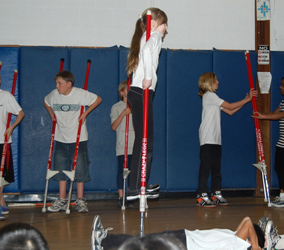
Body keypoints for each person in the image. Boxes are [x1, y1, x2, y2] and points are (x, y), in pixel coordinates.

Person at [44, 70, 102, 213]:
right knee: (60, 169)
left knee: (80, 169)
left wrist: (85, 113)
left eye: (60, 83)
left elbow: (98, 99)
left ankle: (80, 200)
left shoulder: (80, 93)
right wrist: (51, 113)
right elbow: (46, 101)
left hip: (78, 138)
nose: (57, 86)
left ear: (69, 84)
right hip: (60, 137)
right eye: (56, 83)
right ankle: (62, 200)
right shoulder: (54, 95)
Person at [196, 72, 257, 207]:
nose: (218, 82)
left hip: (216, 139)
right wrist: (247, 99)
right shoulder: (209, 96)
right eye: (216, 80)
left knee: (216, 168)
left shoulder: (213, 98)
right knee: (206, 168)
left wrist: (246, 100)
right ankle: (201, 195)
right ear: (210, 82)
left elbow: (230, 112)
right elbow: (229, 106)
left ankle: (216, 193)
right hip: (207, 138)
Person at [126, 7, 168, 200]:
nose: (166, 28)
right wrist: (149, 77)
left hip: (139, 93)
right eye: (164, 23)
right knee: (145, 141)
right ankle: (136, 186)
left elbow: (145, 51)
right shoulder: (154, 36)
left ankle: (139, 183)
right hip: (141, 91)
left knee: (144, 141)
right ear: (156, 22)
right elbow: (147, 51)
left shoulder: (146, 36)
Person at [91, 215, 278, 250]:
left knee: (143, 243)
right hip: (184, 239)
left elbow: (247, 222)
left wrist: (254, 246)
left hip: (184, 242)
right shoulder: (235, 237)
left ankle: (104, 241)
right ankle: (105, 242)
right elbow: (245, 223)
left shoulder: (240, 246)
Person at [0, 68, 24, 220]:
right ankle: (2, 205)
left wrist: (11, 128)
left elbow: (20, 113)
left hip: (2, 141)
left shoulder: (6, 96)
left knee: (0, 175)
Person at [252, 77, 284, 207]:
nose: (280, 87)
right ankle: (282, 195)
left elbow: (281, 115)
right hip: (282, 142)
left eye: (282, 85)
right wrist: (261, 114)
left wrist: (263, 116)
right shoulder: (283, 102)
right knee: (279, 168)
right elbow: (274, 113)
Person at [110, 80, 135, 207]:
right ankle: (121, 197)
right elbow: (113, 127)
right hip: (122, 145)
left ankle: (132, 196)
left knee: (134, 172)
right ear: (122, 92)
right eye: (128, 89)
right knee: (122, 171)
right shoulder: (116, 107)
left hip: (134, 144)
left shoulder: (137, 106)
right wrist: (123, 114)